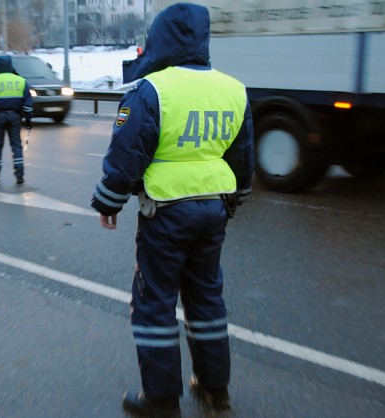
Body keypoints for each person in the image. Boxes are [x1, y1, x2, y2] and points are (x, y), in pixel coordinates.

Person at [91, 3, 254, 417]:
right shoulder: (233, 89)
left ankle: (161, 400)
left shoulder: (153, 90)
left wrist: (109, 201)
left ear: (161, 40)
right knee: (206, 299)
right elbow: (242, 156)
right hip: (213, 211)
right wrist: (236, 198)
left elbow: (128, 154)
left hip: (165, 213)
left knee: (155, 303)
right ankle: (215, 389)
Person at [0, 55, 33, 184]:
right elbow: (27, 104)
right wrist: (28, 120)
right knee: (16, 146)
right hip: (15, 116)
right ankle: (19, 175)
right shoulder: (21, 80)